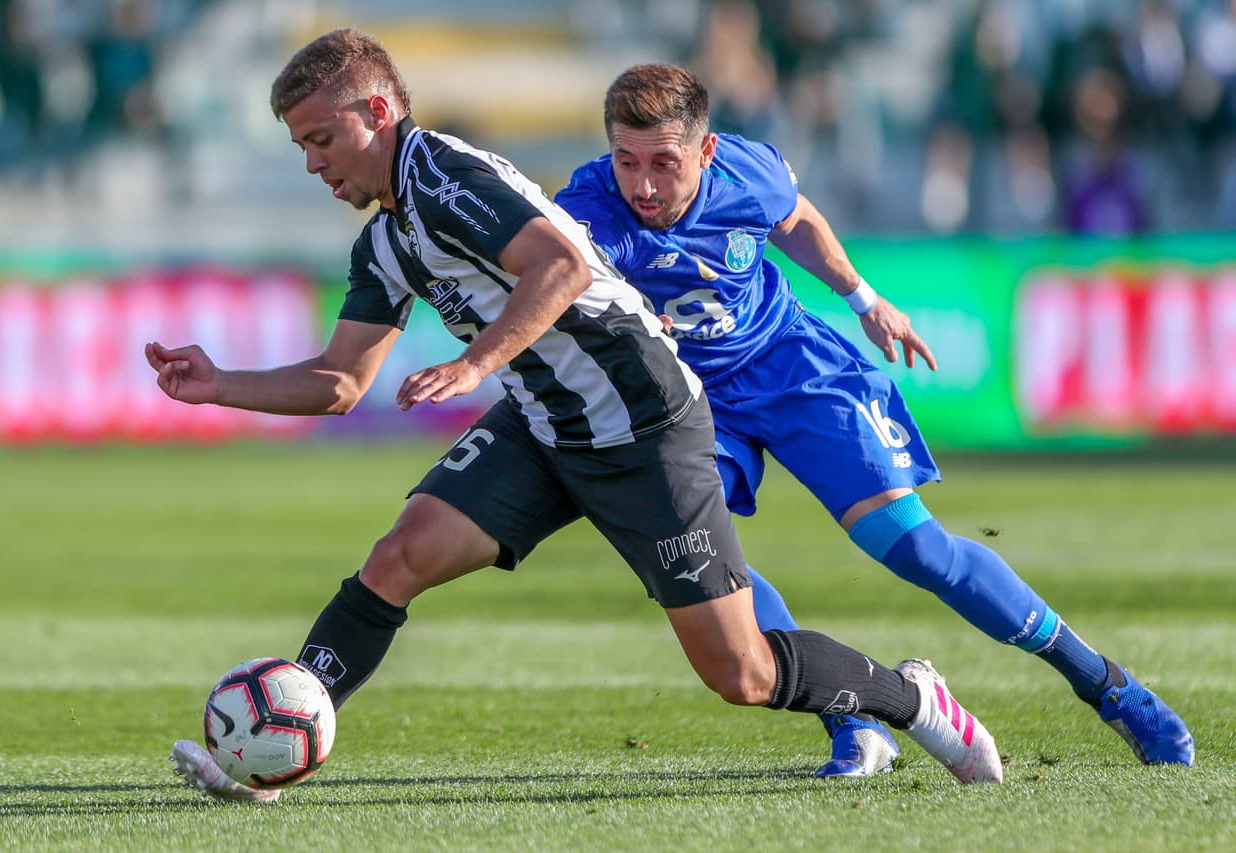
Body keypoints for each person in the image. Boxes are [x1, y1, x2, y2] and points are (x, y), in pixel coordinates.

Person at [152, 30, 1002, 803]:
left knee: (741, 672)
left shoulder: (443, 176)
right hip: (544, 424)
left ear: (377, 113)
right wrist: (219, 383)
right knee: (397, 557)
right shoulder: (385, 238)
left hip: (644, 421)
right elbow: (340, 381)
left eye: (321, 139)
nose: (313, 163)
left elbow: (561, 266)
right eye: (301, 147)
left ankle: (915, 699)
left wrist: (474, 363)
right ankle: (275, 750)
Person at [553, 63, 1195, 778]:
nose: (642, 186)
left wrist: (864, 299)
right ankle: (852, 719)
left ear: (705, 152)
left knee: (917, 547)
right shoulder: (586, 212)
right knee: (700, 563)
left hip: (791, 368)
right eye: (627, 161)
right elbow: (546, 286)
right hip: (687, 400)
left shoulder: (747, 172)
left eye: (663, 164)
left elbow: (796, 220)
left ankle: (1108, 686)